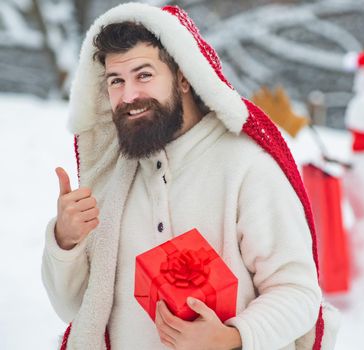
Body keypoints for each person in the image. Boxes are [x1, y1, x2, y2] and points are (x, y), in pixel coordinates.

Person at [41, 3, 338, 350]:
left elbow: (298, 293)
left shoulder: (246, 167)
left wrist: (233, 337)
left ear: (184, 76)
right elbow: (72, 309)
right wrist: (66, 242)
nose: (129, 96)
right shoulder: (111, 179)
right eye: (116, 81)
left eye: (144, 75)